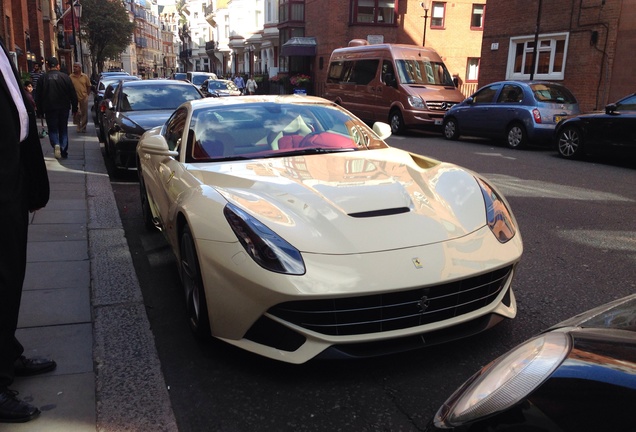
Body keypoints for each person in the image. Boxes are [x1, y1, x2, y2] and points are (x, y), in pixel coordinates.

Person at [0, 38, 54, 424]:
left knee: (10, 275)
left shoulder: (2, 46)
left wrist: (30, 184)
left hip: (13, 183)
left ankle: (7, 352)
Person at [34, 57, 78, 159]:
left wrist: (39, 110)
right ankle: (63, 149)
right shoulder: (65, 77)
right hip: (64, 107)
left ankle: (56, 144)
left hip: (49, 108)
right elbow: (72, 94)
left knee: (52, 129)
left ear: (48, 66)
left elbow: (38, 96)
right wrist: (75, 108)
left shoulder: (42, 78)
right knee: (63, 129)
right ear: (58, 66)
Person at [69, 62, 91, 133]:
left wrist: (87, 95)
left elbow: (88, 86)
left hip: (84, 97)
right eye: (74, 66)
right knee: (77, 113)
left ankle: (84, 126)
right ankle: (78, 125)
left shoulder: (85, 76)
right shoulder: (71, 77)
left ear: (80, 68)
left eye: (76, 67)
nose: (74, 68)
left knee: (84, 113)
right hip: (75, 98)